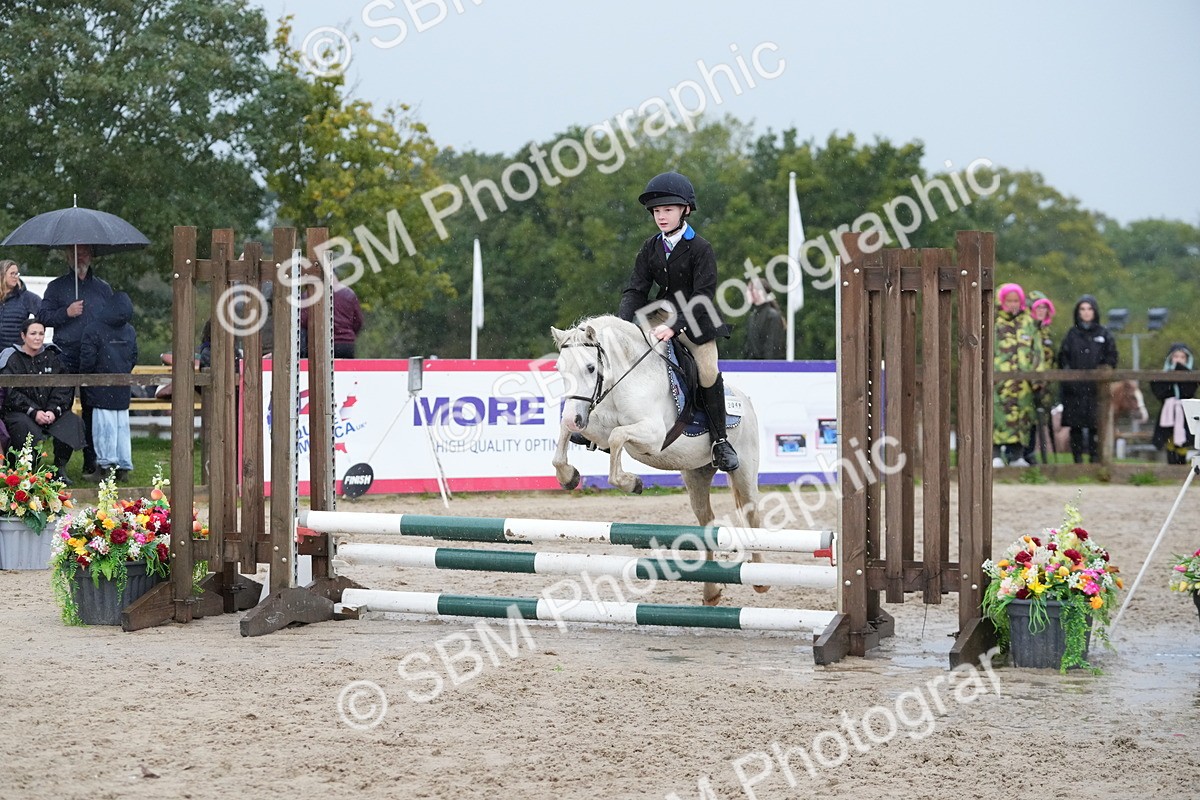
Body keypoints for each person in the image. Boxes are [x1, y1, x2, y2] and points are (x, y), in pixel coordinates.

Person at [617, 171, 738, 471]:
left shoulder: (701, 248)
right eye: (657, 211)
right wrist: (621, 325)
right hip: (658, 313)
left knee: (708, 370)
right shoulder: (650, 247)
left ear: (685, 209)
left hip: (697, 318)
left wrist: (674, 327)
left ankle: (720, 441)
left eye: (668, 210)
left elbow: (703, 295)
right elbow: (636, 289)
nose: (661, 216)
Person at [36, 244, 114, 476]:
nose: (80, 257)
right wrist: (66, 313)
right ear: (67, 256)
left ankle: (93, 461)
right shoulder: (56, 287)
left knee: (95, 410)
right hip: (65, 356)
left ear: (91, 256)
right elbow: (42, 317)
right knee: (63, 409)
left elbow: (113, 320)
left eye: (85, 253)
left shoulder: (103, 289)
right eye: (75, 253)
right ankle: (60, 464)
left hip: (96, 357)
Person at [0, 319, 85, 482]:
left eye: (41, 334)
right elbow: (11, 393)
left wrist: (53, 410)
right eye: (33, 333)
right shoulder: (12, 359)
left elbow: (63, 389)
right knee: (23, 427)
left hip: (49, 412)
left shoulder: (53, 358)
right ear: (23, 336)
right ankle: (25, 470)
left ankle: (59, 469)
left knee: (72, 422)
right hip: (21, 413)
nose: (38, 338)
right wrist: (33, 411)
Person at [79, 292, 138, 482]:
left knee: (103, 428)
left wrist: (85, 378)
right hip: (122, 385)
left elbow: (88, 360)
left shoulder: (93, 329)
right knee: (122, 428)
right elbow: (133, 357)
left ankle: (104, 468)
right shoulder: (129, 330)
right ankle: (123, 468)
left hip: (100, 386)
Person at [1057, 294, 1118, 463]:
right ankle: (1077, 461)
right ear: (1077, 312)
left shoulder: (1104, 334)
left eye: (1089, 309)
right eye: (1082, 309)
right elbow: (1063, 358)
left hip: (1096, 390)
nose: (1086, 312)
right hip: (1074, 390)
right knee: (1075, 427)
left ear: (1095, 311)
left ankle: (1095, 460)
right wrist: (1071, 378)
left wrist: (1101, 372)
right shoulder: (1072, 335)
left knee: (1095, 426)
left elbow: (1112, 358)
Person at [992, 283, 1043, 467]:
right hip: (999, 382)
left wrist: (1037, 379)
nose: (1013, 304)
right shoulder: (994, 322)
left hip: (1023, 384)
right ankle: (995, 454)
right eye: (1009, 300)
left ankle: (1017, 455)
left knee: (1023, 418)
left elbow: (1037, 351)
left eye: (1016, 300)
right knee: (997, 416)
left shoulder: (1028, 323)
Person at [1022, 291, 1057, 463]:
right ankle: (1025, 453)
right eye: (1038, 307)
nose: (1042, 310)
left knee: (1039, 421)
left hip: (1045, 385)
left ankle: (1035, 455)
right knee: (1025, 419)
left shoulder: (1047, 332)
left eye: (1045, 307)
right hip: (1026, 384)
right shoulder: (1027, 329)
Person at [1150, 343, 1197, 465]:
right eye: (1176, 356)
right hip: (1168, 412)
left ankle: (1181, 466)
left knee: (1183, 439)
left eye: (1182, 357)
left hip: (1185, 411)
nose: (1179, 360)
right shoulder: (1163, 375)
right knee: (1169, 438)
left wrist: (1181, 372)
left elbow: (1188, 391)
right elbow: (1161, 393)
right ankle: (1171, 467)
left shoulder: (1192, 376)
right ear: (1171, 358)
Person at [300, 276, 364, 358]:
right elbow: (358, 321)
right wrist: (347, 334)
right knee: (345, 370)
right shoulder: (349, 293)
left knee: (322, 370)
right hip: (346, 344)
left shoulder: (311, 295)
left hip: (321, 344)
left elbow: (303, 320)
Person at [0, 260, 41, 350]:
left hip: (15, 354)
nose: (16, 277)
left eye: (17, 273)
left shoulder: (26, 297)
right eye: (12, 274)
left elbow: (44, 316)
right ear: (2, 275)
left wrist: (31, 333)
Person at [743, 277, 787, 359]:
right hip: (754, 367)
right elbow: (749, 348)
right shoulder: (753, 316)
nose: (747, 293)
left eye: (750, 290)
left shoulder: (772, 316)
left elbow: (772, 348)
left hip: (767, 368)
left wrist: (765, 368)